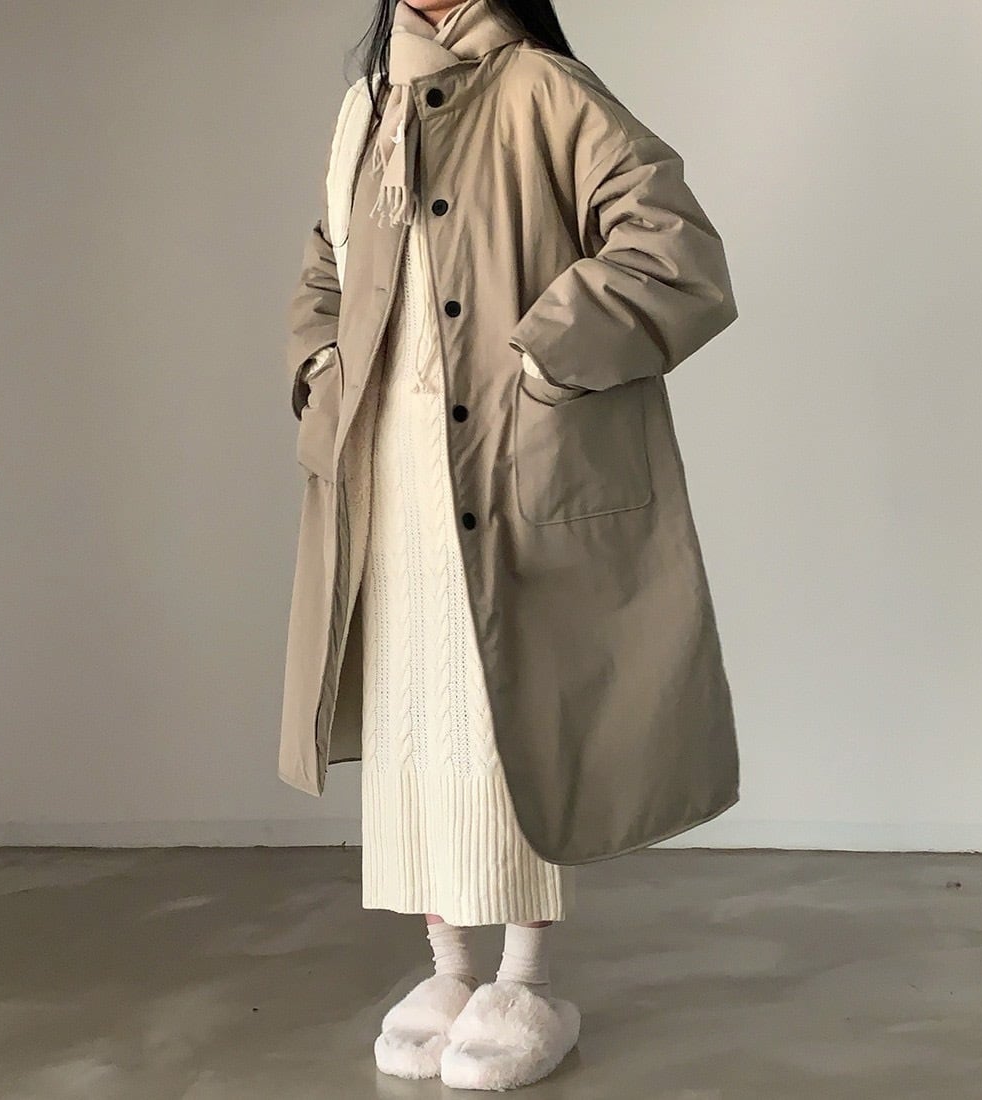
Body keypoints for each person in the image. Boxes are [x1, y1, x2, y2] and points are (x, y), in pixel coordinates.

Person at [282, 0, 740, 1089]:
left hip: (501, 465)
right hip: (384, 470)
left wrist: (540, 359)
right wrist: (319, 370)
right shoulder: (365, 109)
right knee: (413, 717)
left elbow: (675, 251)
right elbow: (325, 268)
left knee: (510, 716)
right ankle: (448, 970)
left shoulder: (544, 89)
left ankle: (525, 982)